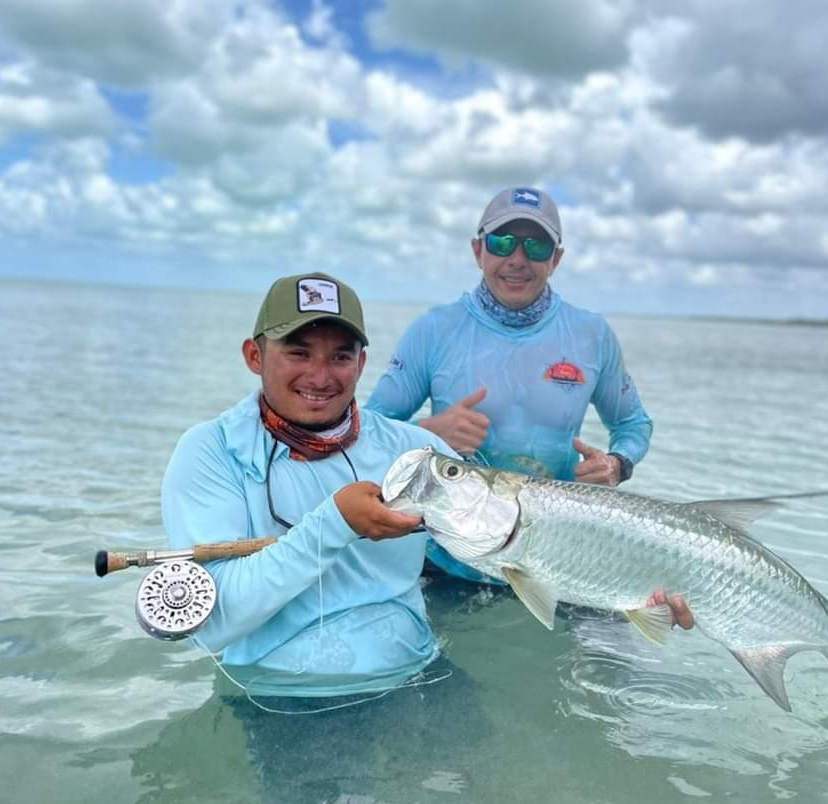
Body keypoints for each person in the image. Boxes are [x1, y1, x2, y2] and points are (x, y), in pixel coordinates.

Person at [161, 271, 692, 700]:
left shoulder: (412, 452)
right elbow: (214, 625)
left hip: (422, 675)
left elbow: (502, 538)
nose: (321, 375)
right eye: (298, 352)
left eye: (340, 355)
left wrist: (636, 579)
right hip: (290, 696)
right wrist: (334, 525)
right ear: (255, 356)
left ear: (363, 363)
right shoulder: (210, 453)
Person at [366, 186, 653, 580]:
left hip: (557, 555)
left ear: (556, 259)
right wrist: (426, 432)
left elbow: (632, 425)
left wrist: (617, 464)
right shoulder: (434, 330)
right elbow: (367, 428)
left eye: (536, 247)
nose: (517, 259)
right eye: (503, 242)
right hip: (449, 557)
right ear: (477, 250)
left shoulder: (592, 334)